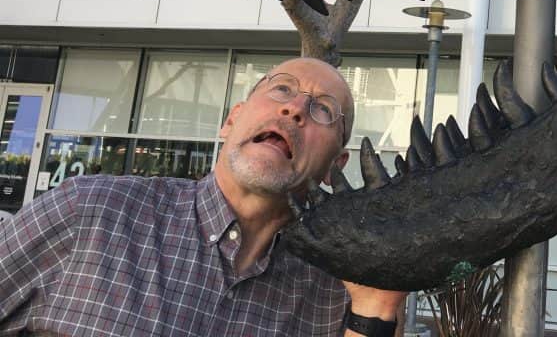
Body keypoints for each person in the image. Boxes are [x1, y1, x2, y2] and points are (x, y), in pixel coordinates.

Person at [0, 57, 407, 337]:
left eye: (323, 110)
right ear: (231, 120)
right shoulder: (91, 210)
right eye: (282, 89)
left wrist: (376, 312)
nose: (296, 109)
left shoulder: (340, 288)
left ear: (335, 167)